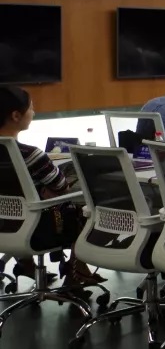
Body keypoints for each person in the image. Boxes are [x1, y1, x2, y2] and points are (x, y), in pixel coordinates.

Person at [0, 86, 101, 287]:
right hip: (38, 229)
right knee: (87, 206)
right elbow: (62, 188)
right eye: (31, 108)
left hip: (5, 223)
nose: (34, 112)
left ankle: (26, 263)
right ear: (16, 115)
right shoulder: (31, 155)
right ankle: (76, 271)